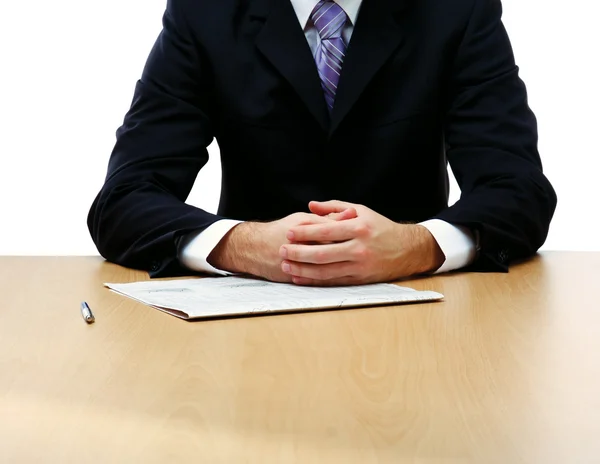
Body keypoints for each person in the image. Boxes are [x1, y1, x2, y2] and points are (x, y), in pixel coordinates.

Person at [88, 0, 557, 286]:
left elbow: (519, 191)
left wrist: (416, 246)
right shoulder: (205, 11)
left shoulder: (456, 9)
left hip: (419, 309)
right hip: (245, 323)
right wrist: (244, 245)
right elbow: (123, 200)